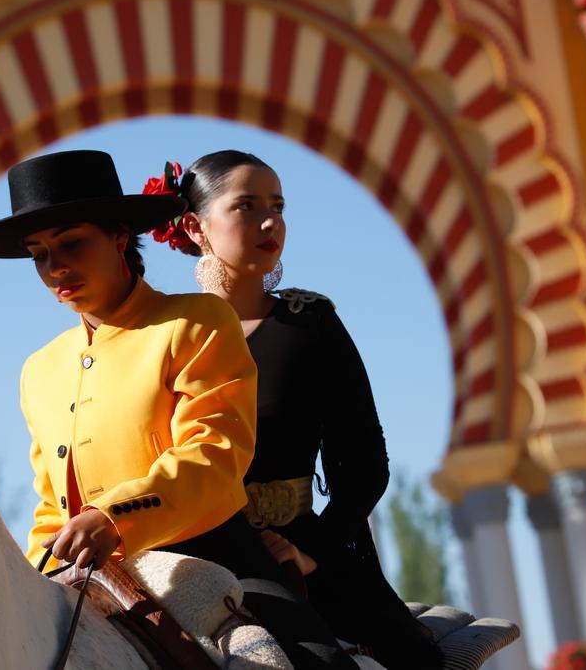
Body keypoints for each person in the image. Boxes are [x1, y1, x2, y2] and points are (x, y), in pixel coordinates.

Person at [0, 149, 358, 669]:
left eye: (72, 243)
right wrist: (32, 577)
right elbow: (52, 504)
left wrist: (113, 517)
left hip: (216, 555)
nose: (56, 267)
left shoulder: (196, 320)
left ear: (120, 237)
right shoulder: (40, 369)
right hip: (80, 573)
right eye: (38, 254)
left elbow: (214, 454)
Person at [147, 150, 443, 670]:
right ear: (195, 227)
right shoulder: (160, 337)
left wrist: (312, 553)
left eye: (278, 207)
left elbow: (367, 466)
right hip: (192, 559)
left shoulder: (312, 326)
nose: (270, 222)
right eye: (246, 206)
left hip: (302, 560)